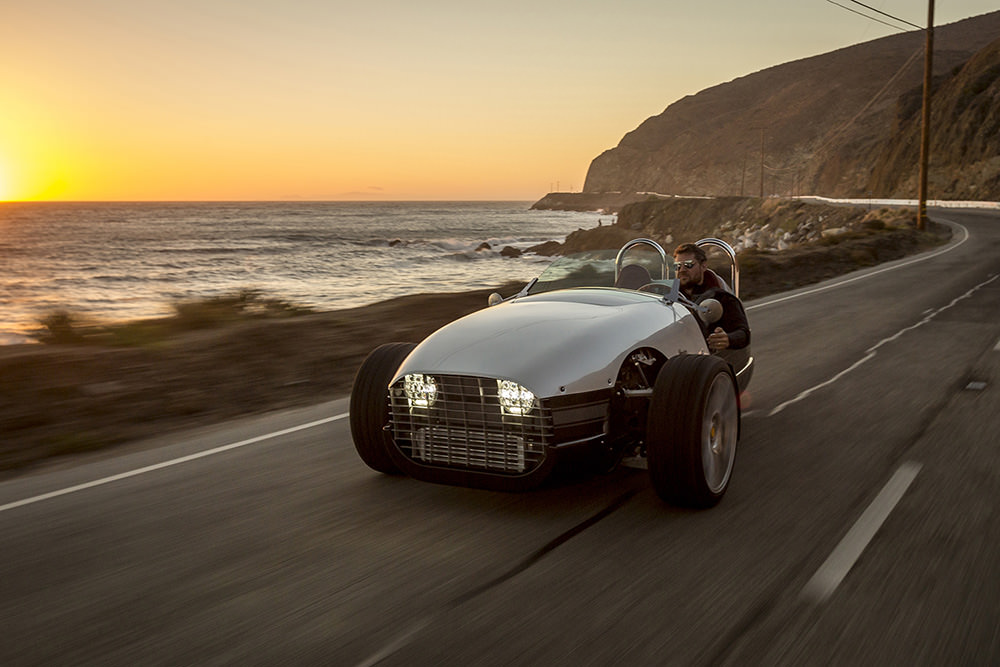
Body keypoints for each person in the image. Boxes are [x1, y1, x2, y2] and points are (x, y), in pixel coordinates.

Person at [673, 243, 750, 352]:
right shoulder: (667, 298)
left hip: (705, 358)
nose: (682, 270)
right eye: (677, 266)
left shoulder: (721, 297)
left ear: (703, 266)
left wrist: (727, 339)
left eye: (688, 265)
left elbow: (743, 333)